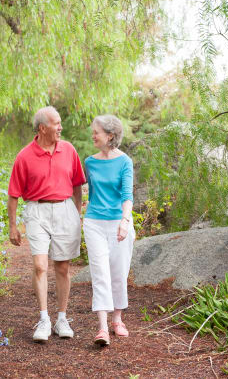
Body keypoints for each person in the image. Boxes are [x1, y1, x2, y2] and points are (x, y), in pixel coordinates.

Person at [7, 106, 86, 342]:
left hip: (64, 209)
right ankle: (44, 319)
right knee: (40, 265)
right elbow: (13, 194)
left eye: (60, 123)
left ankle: (62, 318)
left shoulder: (69, 150)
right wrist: (13, 226)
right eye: (57, 123)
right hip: (36, 210)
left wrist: (76, 213)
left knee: (62, 267)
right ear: (43, 128)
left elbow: (77, 185)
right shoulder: (24, 156)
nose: (61, 127)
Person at [83, 114, 135, 346]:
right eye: (93, 131)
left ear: (110, 135)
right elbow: (91, 193)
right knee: (99, 273)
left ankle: (117, 319)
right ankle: (102, 328)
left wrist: (125, 220)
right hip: (94, 222)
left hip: (119, 222)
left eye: (97, 132)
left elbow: (127, 195)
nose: (93, 135)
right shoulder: (90, 162)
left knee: (118, 272)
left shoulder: (125, 161)